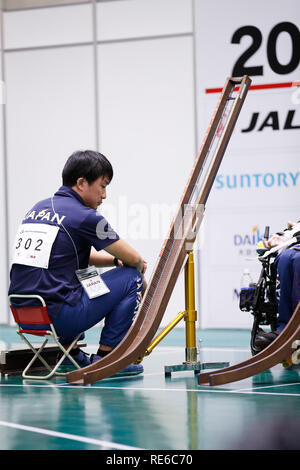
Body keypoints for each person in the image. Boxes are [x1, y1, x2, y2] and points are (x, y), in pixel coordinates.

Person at [8, 150, 147, 375]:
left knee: (83, 273)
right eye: (103, 186)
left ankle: (70, 353)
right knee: (131, 277)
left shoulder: (38, 208)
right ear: (81, 183)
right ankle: (108, 357)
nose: (105, 195)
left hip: (25, 314)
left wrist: (112, 260)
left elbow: (64, 255)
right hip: (60, 317)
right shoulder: (86, 217)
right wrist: (139, 273)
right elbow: (134, 259)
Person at [255, 220, 300, 350]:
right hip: (295, 246)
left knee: (298, 260)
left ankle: (296, 327)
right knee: (285, 258)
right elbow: (291, 232)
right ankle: (284, 328)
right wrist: (278, 238)